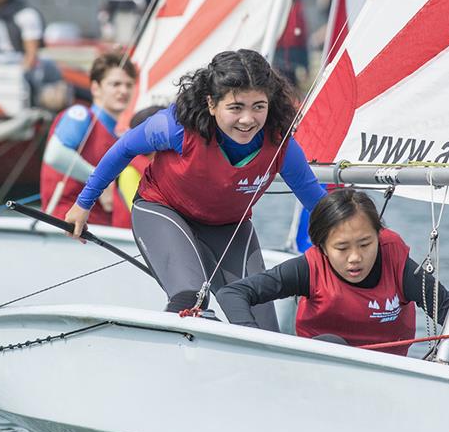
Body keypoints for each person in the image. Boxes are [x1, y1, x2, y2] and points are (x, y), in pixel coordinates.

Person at [65, 49, 326, 330]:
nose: (248, 119)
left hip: (228, 228)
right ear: (212, 104)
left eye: (258, 106)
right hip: (163, 211)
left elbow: (317, 202)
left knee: (262, 327)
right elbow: (124, 148)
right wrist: (84, 203)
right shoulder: (175, 126)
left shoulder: (280, 143)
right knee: (190, 300)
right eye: (236, 107)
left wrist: (366, 241)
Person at [217, 189, 449, 376]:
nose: (355, 258)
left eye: (366, 244)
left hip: (386, 381)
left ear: (379, 237)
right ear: (321, 246)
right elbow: (233, 293)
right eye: (342, 249)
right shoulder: (308, 268)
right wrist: (255, 352)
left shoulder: (400, 268)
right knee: (332, 344)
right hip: (319, 379)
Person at [40, 52, 137, 225]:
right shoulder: (80, 115)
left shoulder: (122, 136)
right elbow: (55, 155)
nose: (123, 90)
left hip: (101, 230)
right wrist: (101, 181)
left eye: (129, 85)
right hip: (66, 225)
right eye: (115, 84)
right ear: (95, 88)